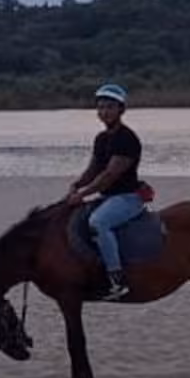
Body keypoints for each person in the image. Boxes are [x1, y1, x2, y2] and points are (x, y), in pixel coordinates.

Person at [65, 83, 144, 300]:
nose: (104, 112)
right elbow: (93, 169)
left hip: (127, 198)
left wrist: (82, 194)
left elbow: (109, 175)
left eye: (110, 107)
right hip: (107, 197)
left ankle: (118, 280)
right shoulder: (101, 139)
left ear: (121, 110)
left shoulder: (127, 138)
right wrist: (77, 184)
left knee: (99, 223)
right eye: (100, 107)